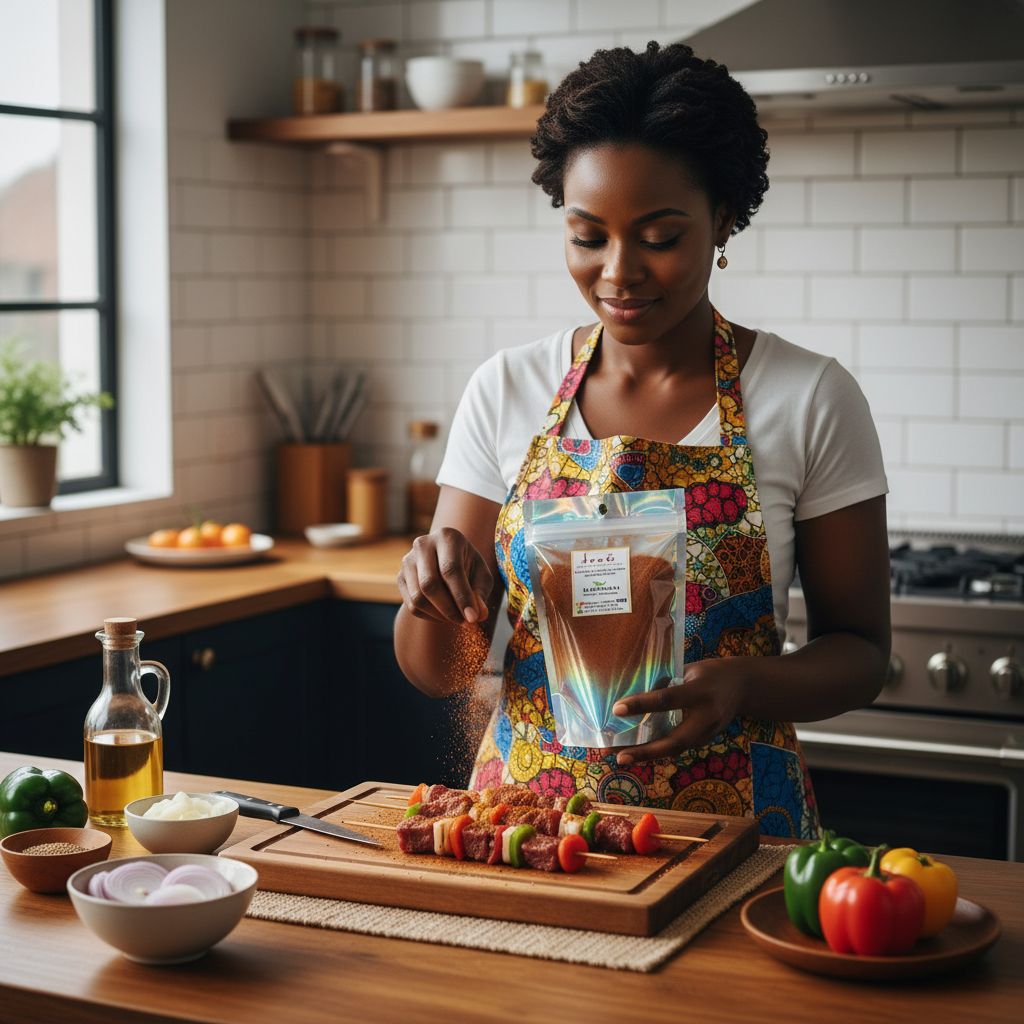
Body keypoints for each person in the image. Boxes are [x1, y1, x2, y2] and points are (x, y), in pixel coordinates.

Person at [393, 42, 890, 839]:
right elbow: (440, 672)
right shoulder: (505, 389)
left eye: (659, 236)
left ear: (723, 218)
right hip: (529, 836)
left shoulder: (811, 397)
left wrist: (745, 685)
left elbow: (862, 653)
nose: (619, 273)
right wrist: (430, 594)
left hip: (734, 841)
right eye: (589, 236)